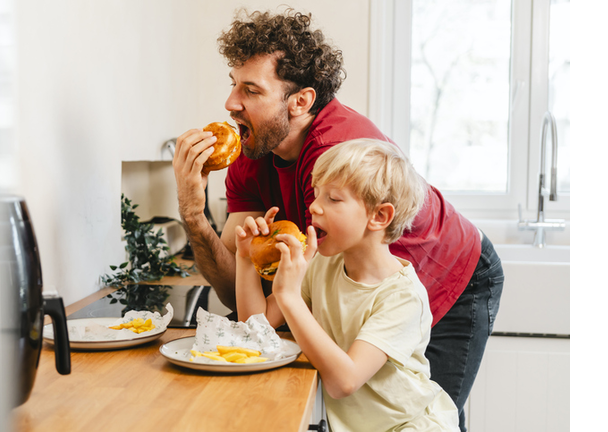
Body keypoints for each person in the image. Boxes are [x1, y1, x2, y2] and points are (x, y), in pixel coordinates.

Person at [172, 9, 504, 431]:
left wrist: (288, 297)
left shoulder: (337, 160)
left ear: (301, 101)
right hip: (354, 283)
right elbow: (250, 314)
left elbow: (342, 372)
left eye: (251, 90)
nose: (231, 103)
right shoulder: (256, 160)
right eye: (233, 85)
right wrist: (194, 212)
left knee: (408, 404)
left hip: (451, 276)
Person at [235, 139, 459, 431]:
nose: (313, 206)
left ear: (379, 216)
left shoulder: (402, 297)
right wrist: (244, 257)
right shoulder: (322, 265)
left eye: (333, 198)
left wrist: (289, 296)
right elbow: (255, 331)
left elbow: (345, 381)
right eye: (316, 194)